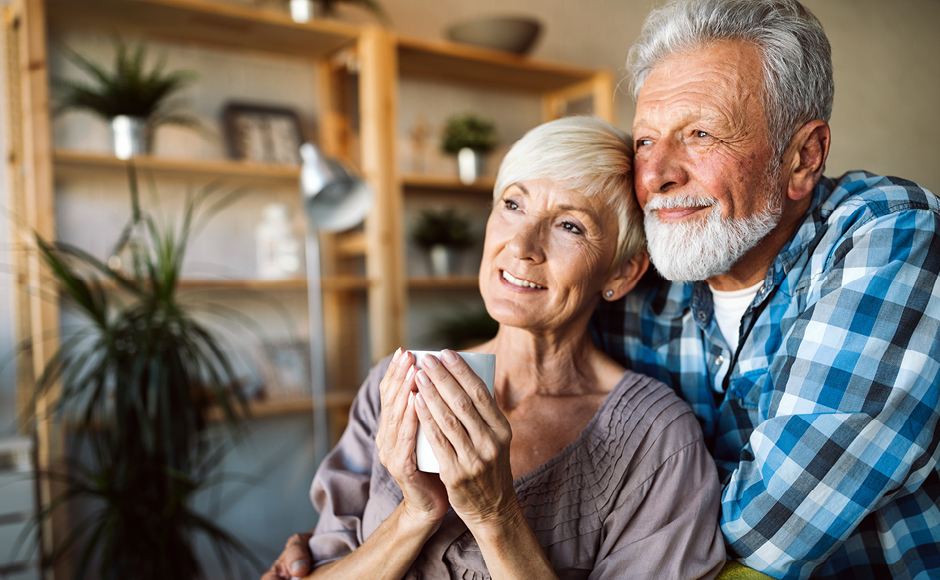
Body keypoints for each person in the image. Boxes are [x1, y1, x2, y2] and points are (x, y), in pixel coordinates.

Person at [262, 116, 726, 580]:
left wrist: (495, 514)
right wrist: (414, 514)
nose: (521, 245)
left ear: (622, 272)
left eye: (570, 225)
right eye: (512, 204)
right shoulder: (397, 382)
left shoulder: (658, 438)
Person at [590, 1, 940, 579]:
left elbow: (774, 529)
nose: (656, 176)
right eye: (646, 141)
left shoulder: (893, 234)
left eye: (700, 133)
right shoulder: (638, 275)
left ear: (803, 157)